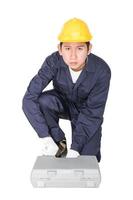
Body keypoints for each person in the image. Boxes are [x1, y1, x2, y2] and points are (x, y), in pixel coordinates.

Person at [22, 18, 111, 162]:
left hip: (87, 112)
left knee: (88, 160)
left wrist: (76, 147)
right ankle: (58, 143)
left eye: (80, 48)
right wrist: (46, 137)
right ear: (60, 49)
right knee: (42, 101)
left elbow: (93, 113)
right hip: (63, 104)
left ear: (89, 49)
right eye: (68, 48)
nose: (73, 56)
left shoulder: (102, 71)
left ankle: (79, 150)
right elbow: (29, 98)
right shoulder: (53, 62)